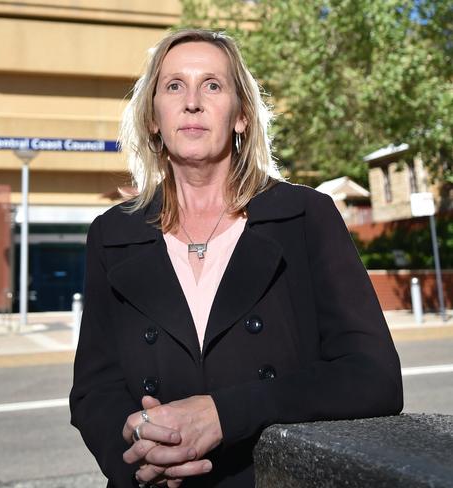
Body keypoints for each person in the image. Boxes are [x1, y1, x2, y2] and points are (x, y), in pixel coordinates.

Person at [69, 29, 403, 488]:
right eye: (173, 86)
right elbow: (93, 389)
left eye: (212, 85)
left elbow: (373, 377)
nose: (192, 102)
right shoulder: (112, 233)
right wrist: (137, 458)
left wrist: (225, 415)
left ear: (242, 115)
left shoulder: (305, 217)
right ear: (152, 119)